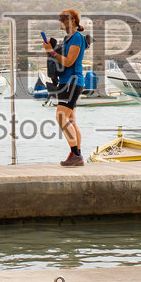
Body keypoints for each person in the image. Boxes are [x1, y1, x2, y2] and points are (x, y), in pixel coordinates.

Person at [46, 9, 88, 167]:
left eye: (63, 19)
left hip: (72, 82)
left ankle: (75, 154)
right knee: (70, 120)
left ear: (73, 21)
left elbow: (69, 61)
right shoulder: (67, 38)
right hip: (66, 82)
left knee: (61, 117)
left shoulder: (77, 37)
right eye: (60, 19)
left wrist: (51, 52)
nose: (61, 22)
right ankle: (77, 154)